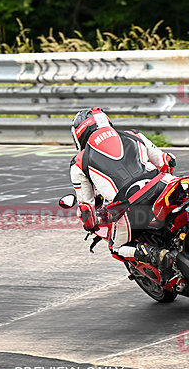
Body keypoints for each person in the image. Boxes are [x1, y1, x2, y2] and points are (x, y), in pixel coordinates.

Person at [68, 107, 180, 281]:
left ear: (79, 133)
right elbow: (166, 162)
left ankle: (152, 253)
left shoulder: (79, 162)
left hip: (133, 208)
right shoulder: (134, 135)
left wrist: (90, 225)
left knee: (116, 247)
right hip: (164, 186)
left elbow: (86, 207)